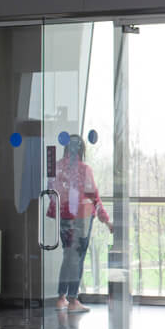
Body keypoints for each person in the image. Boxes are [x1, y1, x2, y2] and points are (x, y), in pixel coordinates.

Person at [47, 134, 112, 313]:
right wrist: (106, 221)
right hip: (82, 217)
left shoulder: (57, 167)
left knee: (68, 255)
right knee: (77, 257)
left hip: (63, 216)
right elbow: (94, 196)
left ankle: (61, 298)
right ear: (81, 150)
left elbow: (52, 192)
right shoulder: (84, 169)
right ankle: (73, 300)